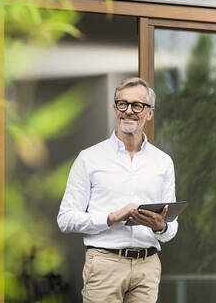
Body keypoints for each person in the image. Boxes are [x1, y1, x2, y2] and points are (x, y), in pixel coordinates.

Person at [57, 77, 178, 303]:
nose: (129, 111)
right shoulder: (89, 158)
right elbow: (65, 219)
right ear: (115, 109)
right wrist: (111, 218)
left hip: (148, 266)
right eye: (122, 104)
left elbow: (171, 229)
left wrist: (161, 226)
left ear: (149, 113)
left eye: (137, 105)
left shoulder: (163, 162)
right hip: (104, 264)